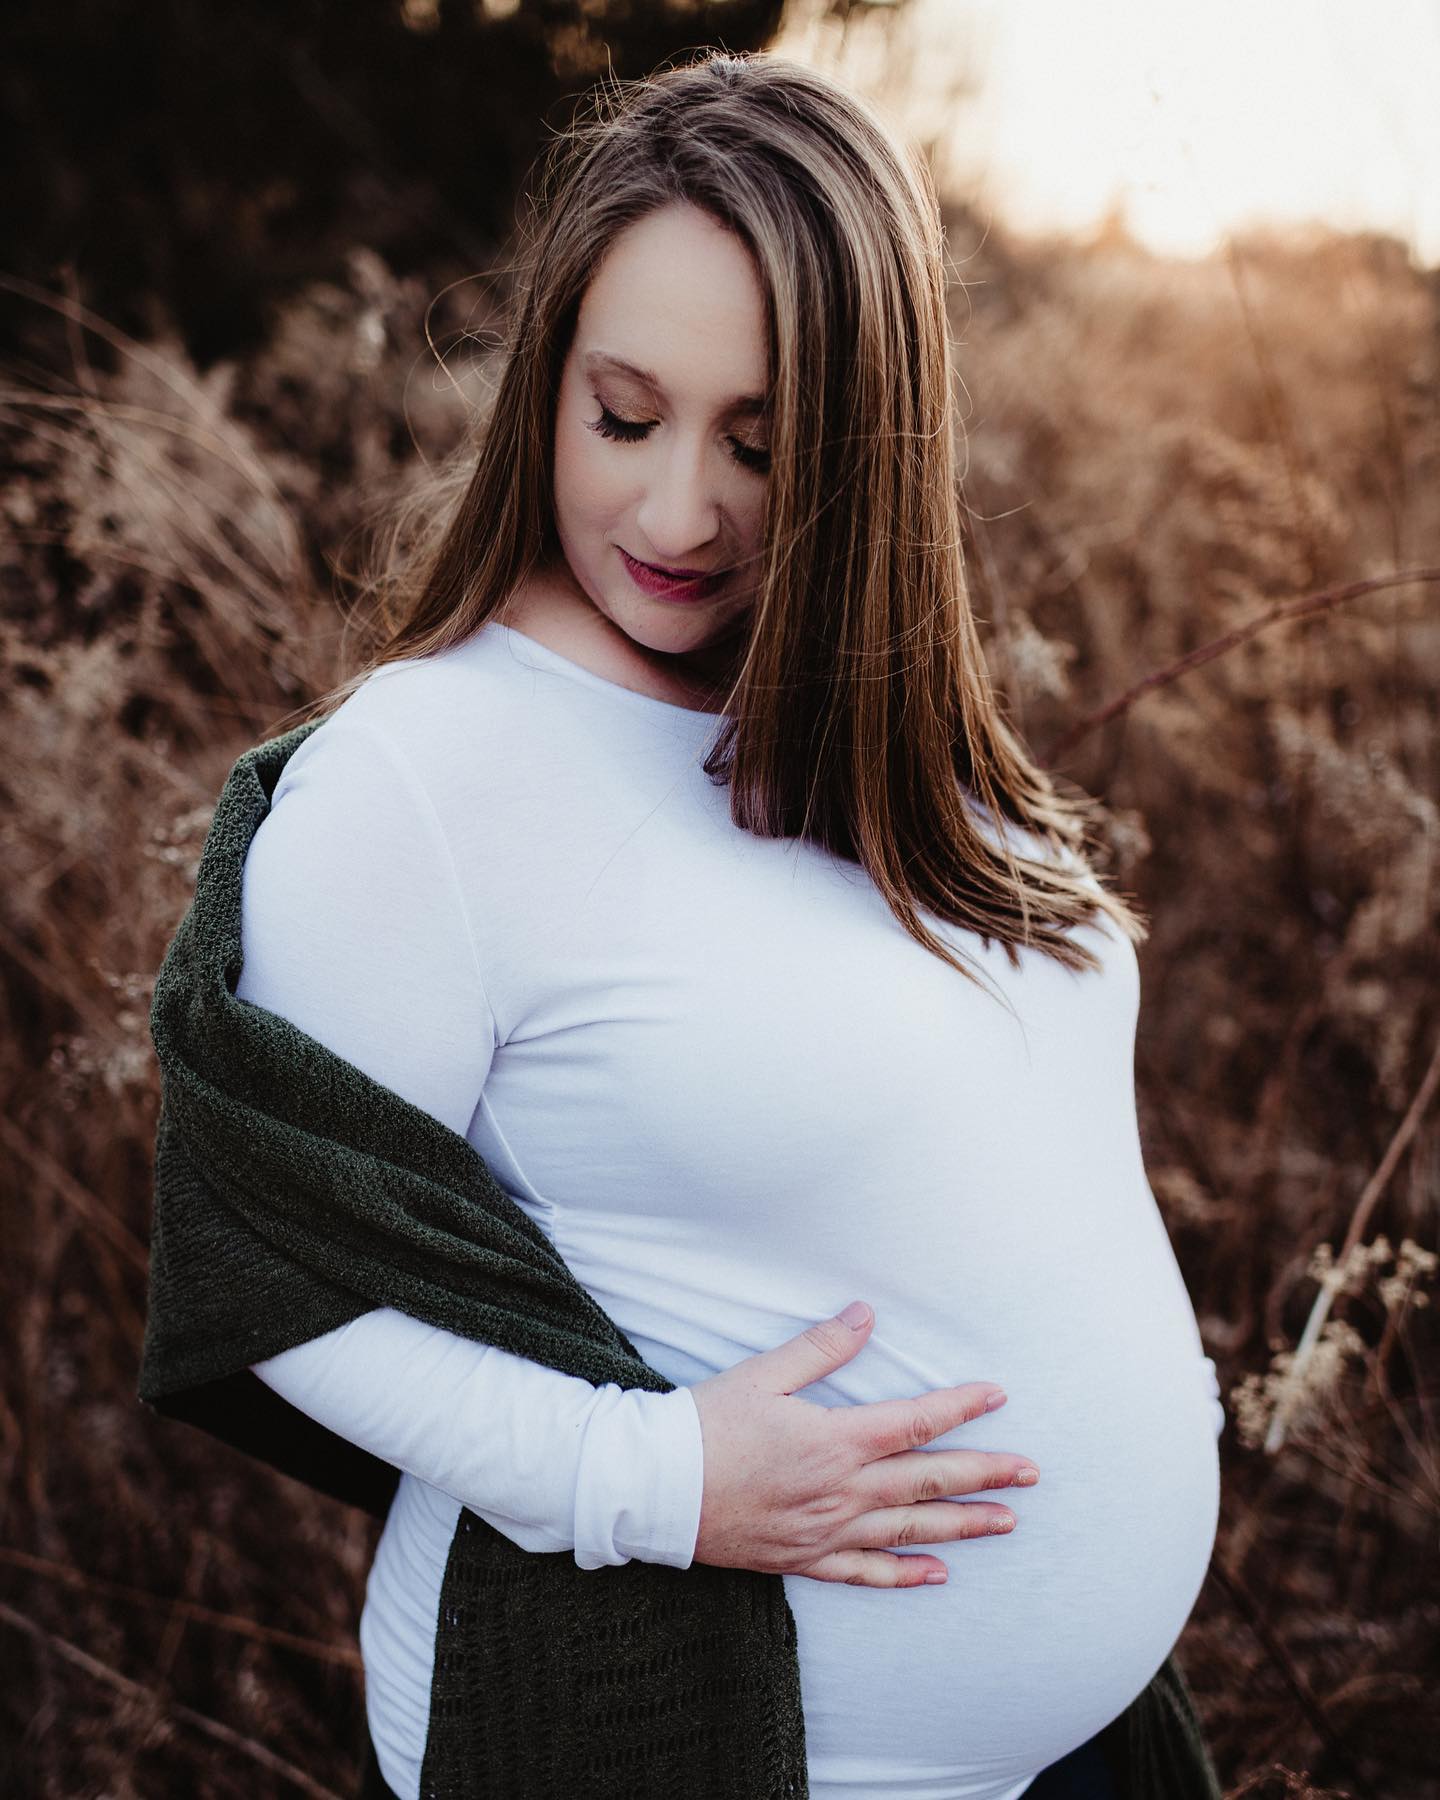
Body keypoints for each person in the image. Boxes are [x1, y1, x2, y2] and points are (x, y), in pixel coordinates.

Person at [228, 49, 1223, 1800]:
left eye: (761, 449)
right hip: (684, 1732)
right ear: (544, 385)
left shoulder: (877, 721)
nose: (679, 513)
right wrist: (654, 1478)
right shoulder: (426, 779)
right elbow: (276, 1275)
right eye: (624, 417)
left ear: (869, 459)